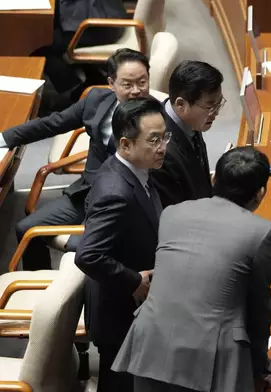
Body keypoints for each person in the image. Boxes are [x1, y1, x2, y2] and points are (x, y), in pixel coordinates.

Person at [112, 146, 271, 392]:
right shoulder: (260, 231)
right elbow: (259, 309)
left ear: (214, 180)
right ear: (260, 193)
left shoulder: (172, 214)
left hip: (151, 344)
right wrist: (262, 366)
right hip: (209, 361)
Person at [1, 48, 151, 271]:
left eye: (142, 82)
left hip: (128, 205)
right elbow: (52, 123)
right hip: (87, 193)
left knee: (91, 250)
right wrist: (4, 138)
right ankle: (40, 282)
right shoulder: (96, 101)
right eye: (127, 85)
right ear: (111, 83)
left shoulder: (157, 119)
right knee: (26, 230)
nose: (136, 91)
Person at [75, 97, 168, 392]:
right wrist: (133, 280)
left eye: (165, 136)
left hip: (133, 309)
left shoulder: (134, 172)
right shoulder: (115, 191)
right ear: (126, 144)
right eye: (153, 140)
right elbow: (88, 255)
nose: (163, 147)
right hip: (118, 313)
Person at [149, 60, 226, 207]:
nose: (216, 113)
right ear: (180, 104)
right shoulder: (161, 151)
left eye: (219, 104)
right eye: (210, 106)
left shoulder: (191, 121)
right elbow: (173, 213)